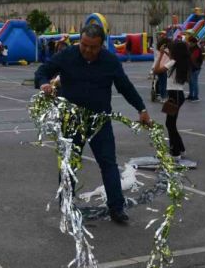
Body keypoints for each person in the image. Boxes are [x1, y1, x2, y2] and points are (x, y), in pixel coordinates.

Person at [35, 25, 151, 224]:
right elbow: (42, 71)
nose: (88, 50)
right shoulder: (67, 55)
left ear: (102, 45)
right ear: (80, 40)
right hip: (72, 122)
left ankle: (116, 208)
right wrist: (44, 83)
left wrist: (141, 109)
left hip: (99, 122)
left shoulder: (110, 61)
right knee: (68, 165)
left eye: (93, 47)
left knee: (108, 164)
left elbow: (125, 87)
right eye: (84, 45)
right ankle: (66, 205)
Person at [153, 40, 189, 160]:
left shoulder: (173, 62)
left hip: (174, 95)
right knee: (171, 124)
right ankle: (181, 149)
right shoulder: (181, 61)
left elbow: (156, 70)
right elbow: (173, 59)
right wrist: (166, 53)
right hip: (177, 95)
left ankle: (175, 153)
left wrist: (161, 54)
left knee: (170, 124)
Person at [186, 37, 203, 102]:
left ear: (194, 43)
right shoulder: (190, 48)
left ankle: (196, 96)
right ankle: (191, 95)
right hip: (191, 68)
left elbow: (193, 58)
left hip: (195, 68)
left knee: (194, 82)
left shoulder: (197, 49)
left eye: (190, 42)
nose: (189, 43)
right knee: (190, 82)